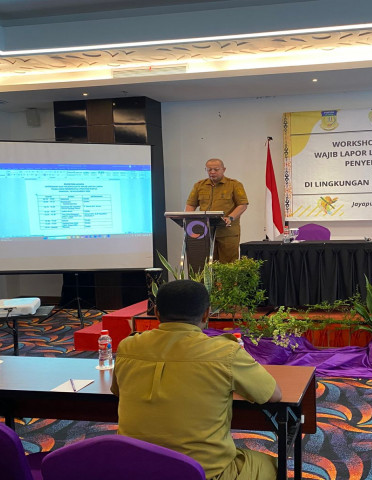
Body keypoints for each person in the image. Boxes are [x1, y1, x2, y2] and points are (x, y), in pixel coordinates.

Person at [111, 280, 282, 480]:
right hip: (203, 473)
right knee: (272, 466)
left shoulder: (127, 347)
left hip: (135, 470)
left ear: (156, 313)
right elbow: (274, 395)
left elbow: (117, 391)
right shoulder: (225, 352)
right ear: (206, 314)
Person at [186, 158, 248, 263]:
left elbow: (242, 204)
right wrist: (189, 220)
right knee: (208, 264)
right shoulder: (199, 185)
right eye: (209, 169)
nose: (212, 172)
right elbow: (190, 205)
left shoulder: (234, 185)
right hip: (206, 232)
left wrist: (230, 217)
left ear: (224, 169)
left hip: (227, 233)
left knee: (228, 265)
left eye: (216, 169)